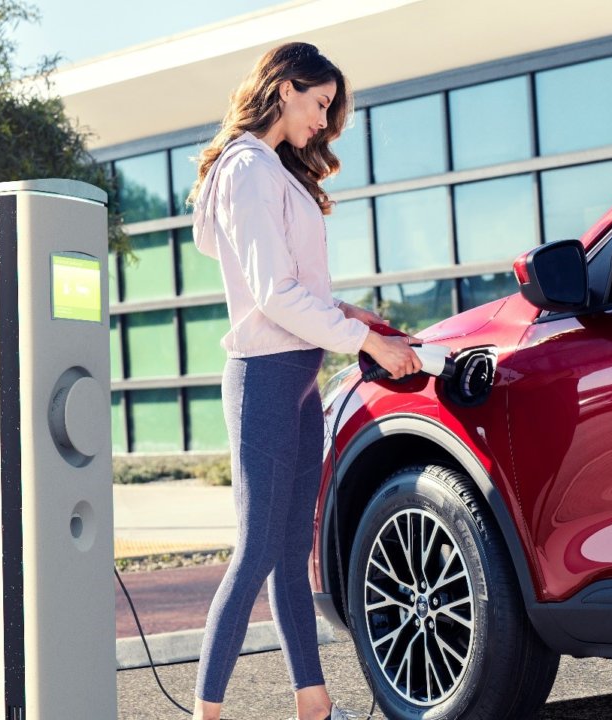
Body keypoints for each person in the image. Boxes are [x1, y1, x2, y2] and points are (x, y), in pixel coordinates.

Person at [186, 42, 422, 720]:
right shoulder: (249, 168)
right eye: (320, 104)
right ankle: (206, 714)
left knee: (292, 549)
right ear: (287, 87)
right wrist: (365, 339)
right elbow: (274, 294)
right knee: (258, 547)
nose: (323, 122)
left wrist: (350, 315)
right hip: (264, 376)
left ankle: (313, 706)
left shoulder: (271, 172)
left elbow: (289, 290)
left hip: (296, 375)